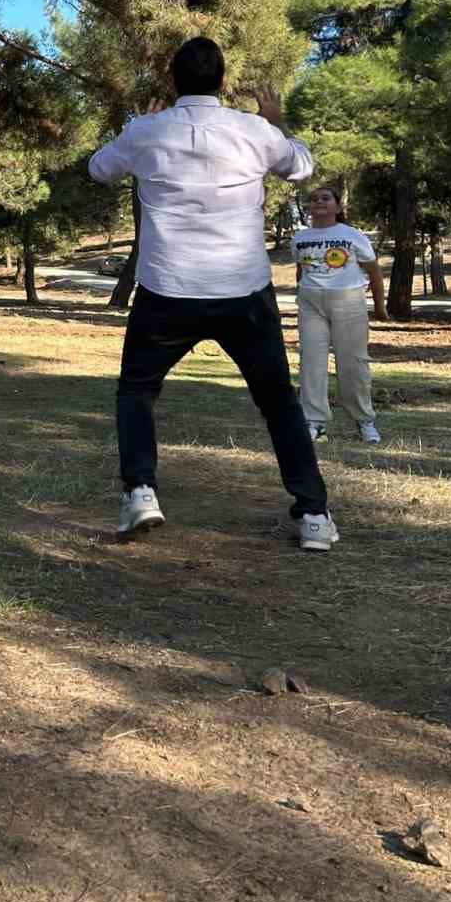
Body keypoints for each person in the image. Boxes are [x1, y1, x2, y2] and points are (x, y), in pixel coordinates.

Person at [88, 38, 337, 552]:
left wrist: (134, 129)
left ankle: (140, 490)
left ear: (172, 83)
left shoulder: (147, 131)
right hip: (242, 289)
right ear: (224, 82)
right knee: (278, 403)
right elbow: (303, 168)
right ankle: (313, 515)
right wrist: (277, 122)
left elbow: (98, 168)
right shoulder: (254, 130)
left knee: (137, 391)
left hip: (167, 287)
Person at [291, 186, 386, 444]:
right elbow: (302, 271)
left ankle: (365, 421)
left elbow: (374, 272)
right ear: (308, 208)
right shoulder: (300, 238)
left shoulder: (352, 235)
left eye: (325, 198)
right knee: (311, 363)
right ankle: (315, 423)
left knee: (353, 364)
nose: (319, 202)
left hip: (348, 303)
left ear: (338, 207)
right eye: (314, 199)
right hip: (311, 305)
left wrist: (379, 306)